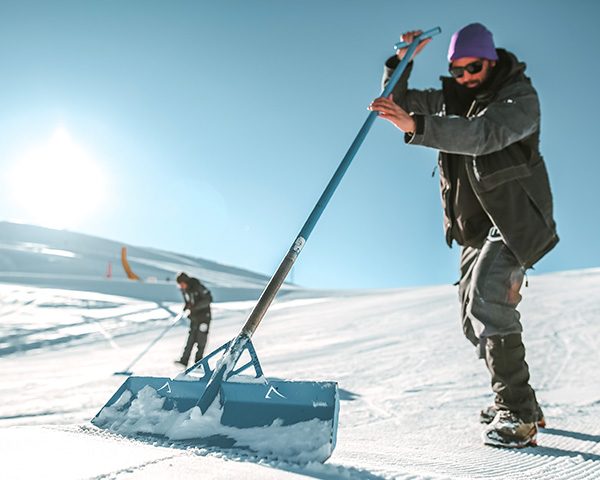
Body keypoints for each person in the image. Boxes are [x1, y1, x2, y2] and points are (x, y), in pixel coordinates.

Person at [369, 23, 558, 448]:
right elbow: (394, 103)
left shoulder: (519, 98)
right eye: (457, 71)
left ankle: (519, 412)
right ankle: (515, 395)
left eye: (473, 68)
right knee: (472, 317)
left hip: (513, 218)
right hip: (474, 226)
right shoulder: (452, 99)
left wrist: (418, 125)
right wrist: (402, 61)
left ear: (490, 60)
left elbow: (483, 136)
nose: (466, 78)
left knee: (491, 295)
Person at [174, 272, 213, 368]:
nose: (181, 286)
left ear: (186, 281)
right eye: (180, 285)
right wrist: (186, 307)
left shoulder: (197, 286)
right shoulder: (185, 290)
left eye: (182, 284)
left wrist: (195, 306)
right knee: (190, 339)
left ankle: (198, 363)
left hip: (204, 317)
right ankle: (184, 361)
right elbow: (189, 302)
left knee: (201, 339)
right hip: (194, 318)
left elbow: (208, 299)